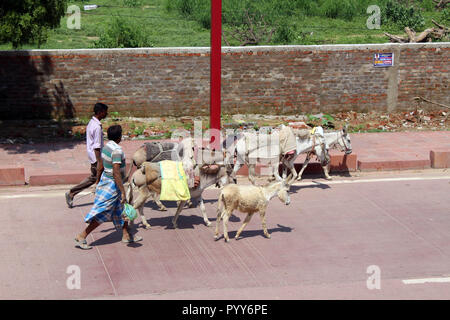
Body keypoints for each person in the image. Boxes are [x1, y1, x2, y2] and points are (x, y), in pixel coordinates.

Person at [74, 125, 142, 250]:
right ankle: (81, 236)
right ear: (119, 137)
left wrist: (98, 181)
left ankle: (126, 235)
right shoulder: (117, 150)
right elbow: (116, 172)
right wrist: (122, 191)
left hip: (106, 180)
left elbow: (100, 165)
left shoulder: (106, 147)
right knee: (104, 214)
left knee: (122, 210)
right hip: (113, 184)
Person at [65, 102, 108, 208]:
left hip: (92, 155)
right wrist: (99, 162)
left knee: (94, 178)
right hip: (96, 157)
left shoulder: (91, 122)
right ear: (100, 112)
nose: (106, 114)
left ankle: (73, 193)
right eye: (105, 112)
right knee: (99, 178)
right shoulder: (97, 127)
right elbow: (97, 146)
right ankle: (72, 193)